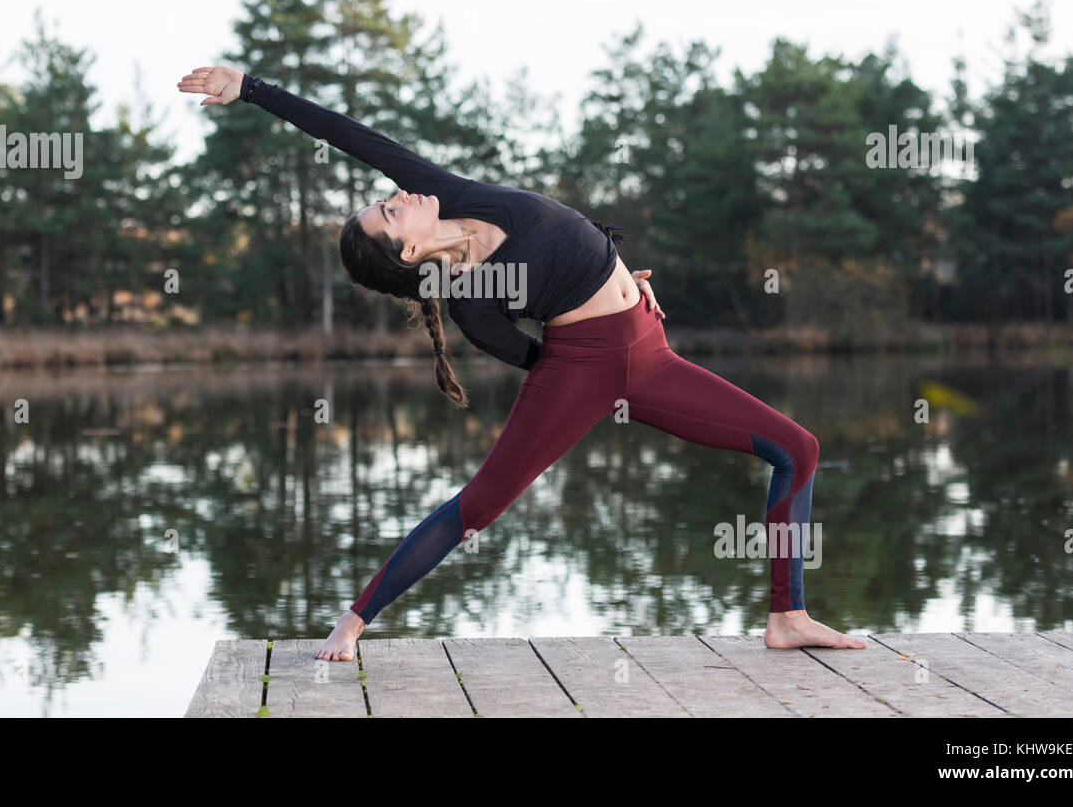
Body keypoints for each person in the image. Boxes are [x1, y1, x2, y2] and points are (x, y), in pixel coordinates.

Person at [177, 65, 867, 659]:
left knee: (797, 448)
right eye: (391, 212)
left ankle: (787, 616)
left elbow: (351, 135)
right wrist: (596, 351)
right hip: (589, 367)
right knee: (478, 505)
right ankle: (356, 618)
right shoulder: (475, 303)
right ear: (407, 253)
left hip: (651, 353)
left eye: (387, 197)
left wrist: (252, 89)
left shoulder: (450, 192)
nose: (400, 197)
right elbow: (543, 358)